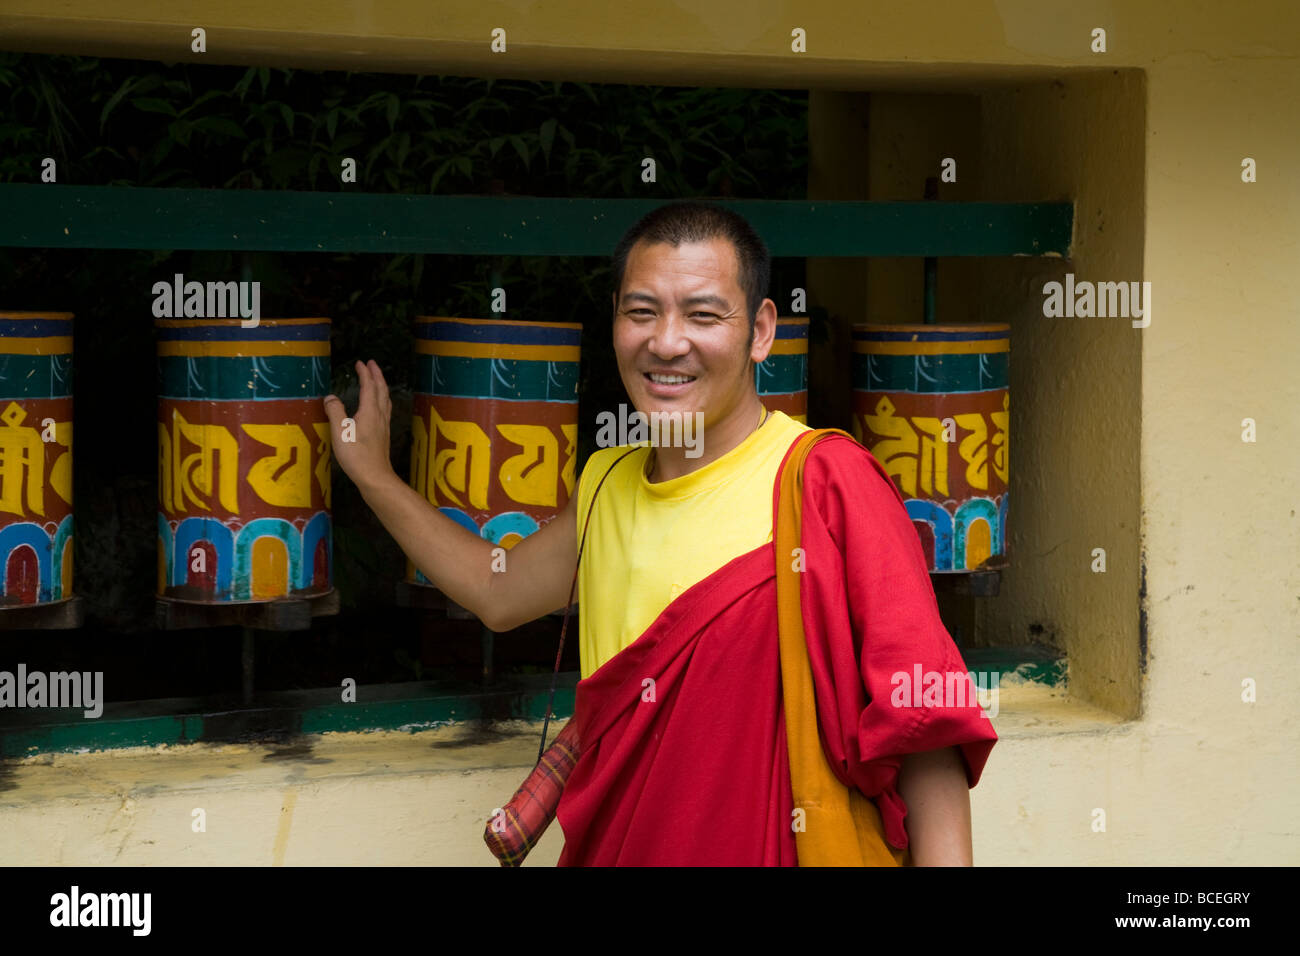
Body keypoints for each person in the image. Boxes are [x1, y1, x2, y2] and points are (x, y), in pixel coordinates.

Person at [325, 200, 997, 866]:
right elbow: (496, 592)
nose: (667, 342)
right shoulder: (606, 484)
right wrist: (376, 477)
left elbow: (924, 723)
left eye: (703, 314)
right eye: (641, 312)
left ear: (761, 330)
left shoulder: (826, 482)